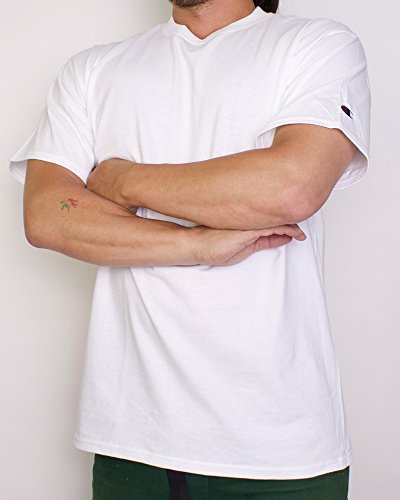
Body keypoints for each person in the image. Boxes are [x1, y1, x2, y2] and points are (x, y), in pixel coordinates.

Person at [9, 0, 370, 498]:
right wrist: (195, 243)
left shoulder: (316, 45)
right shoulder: (93, 70)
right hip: (131, 442)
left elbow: (292, 188)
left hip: (278, 448)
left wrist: (122, 179)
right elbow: (47, 215)